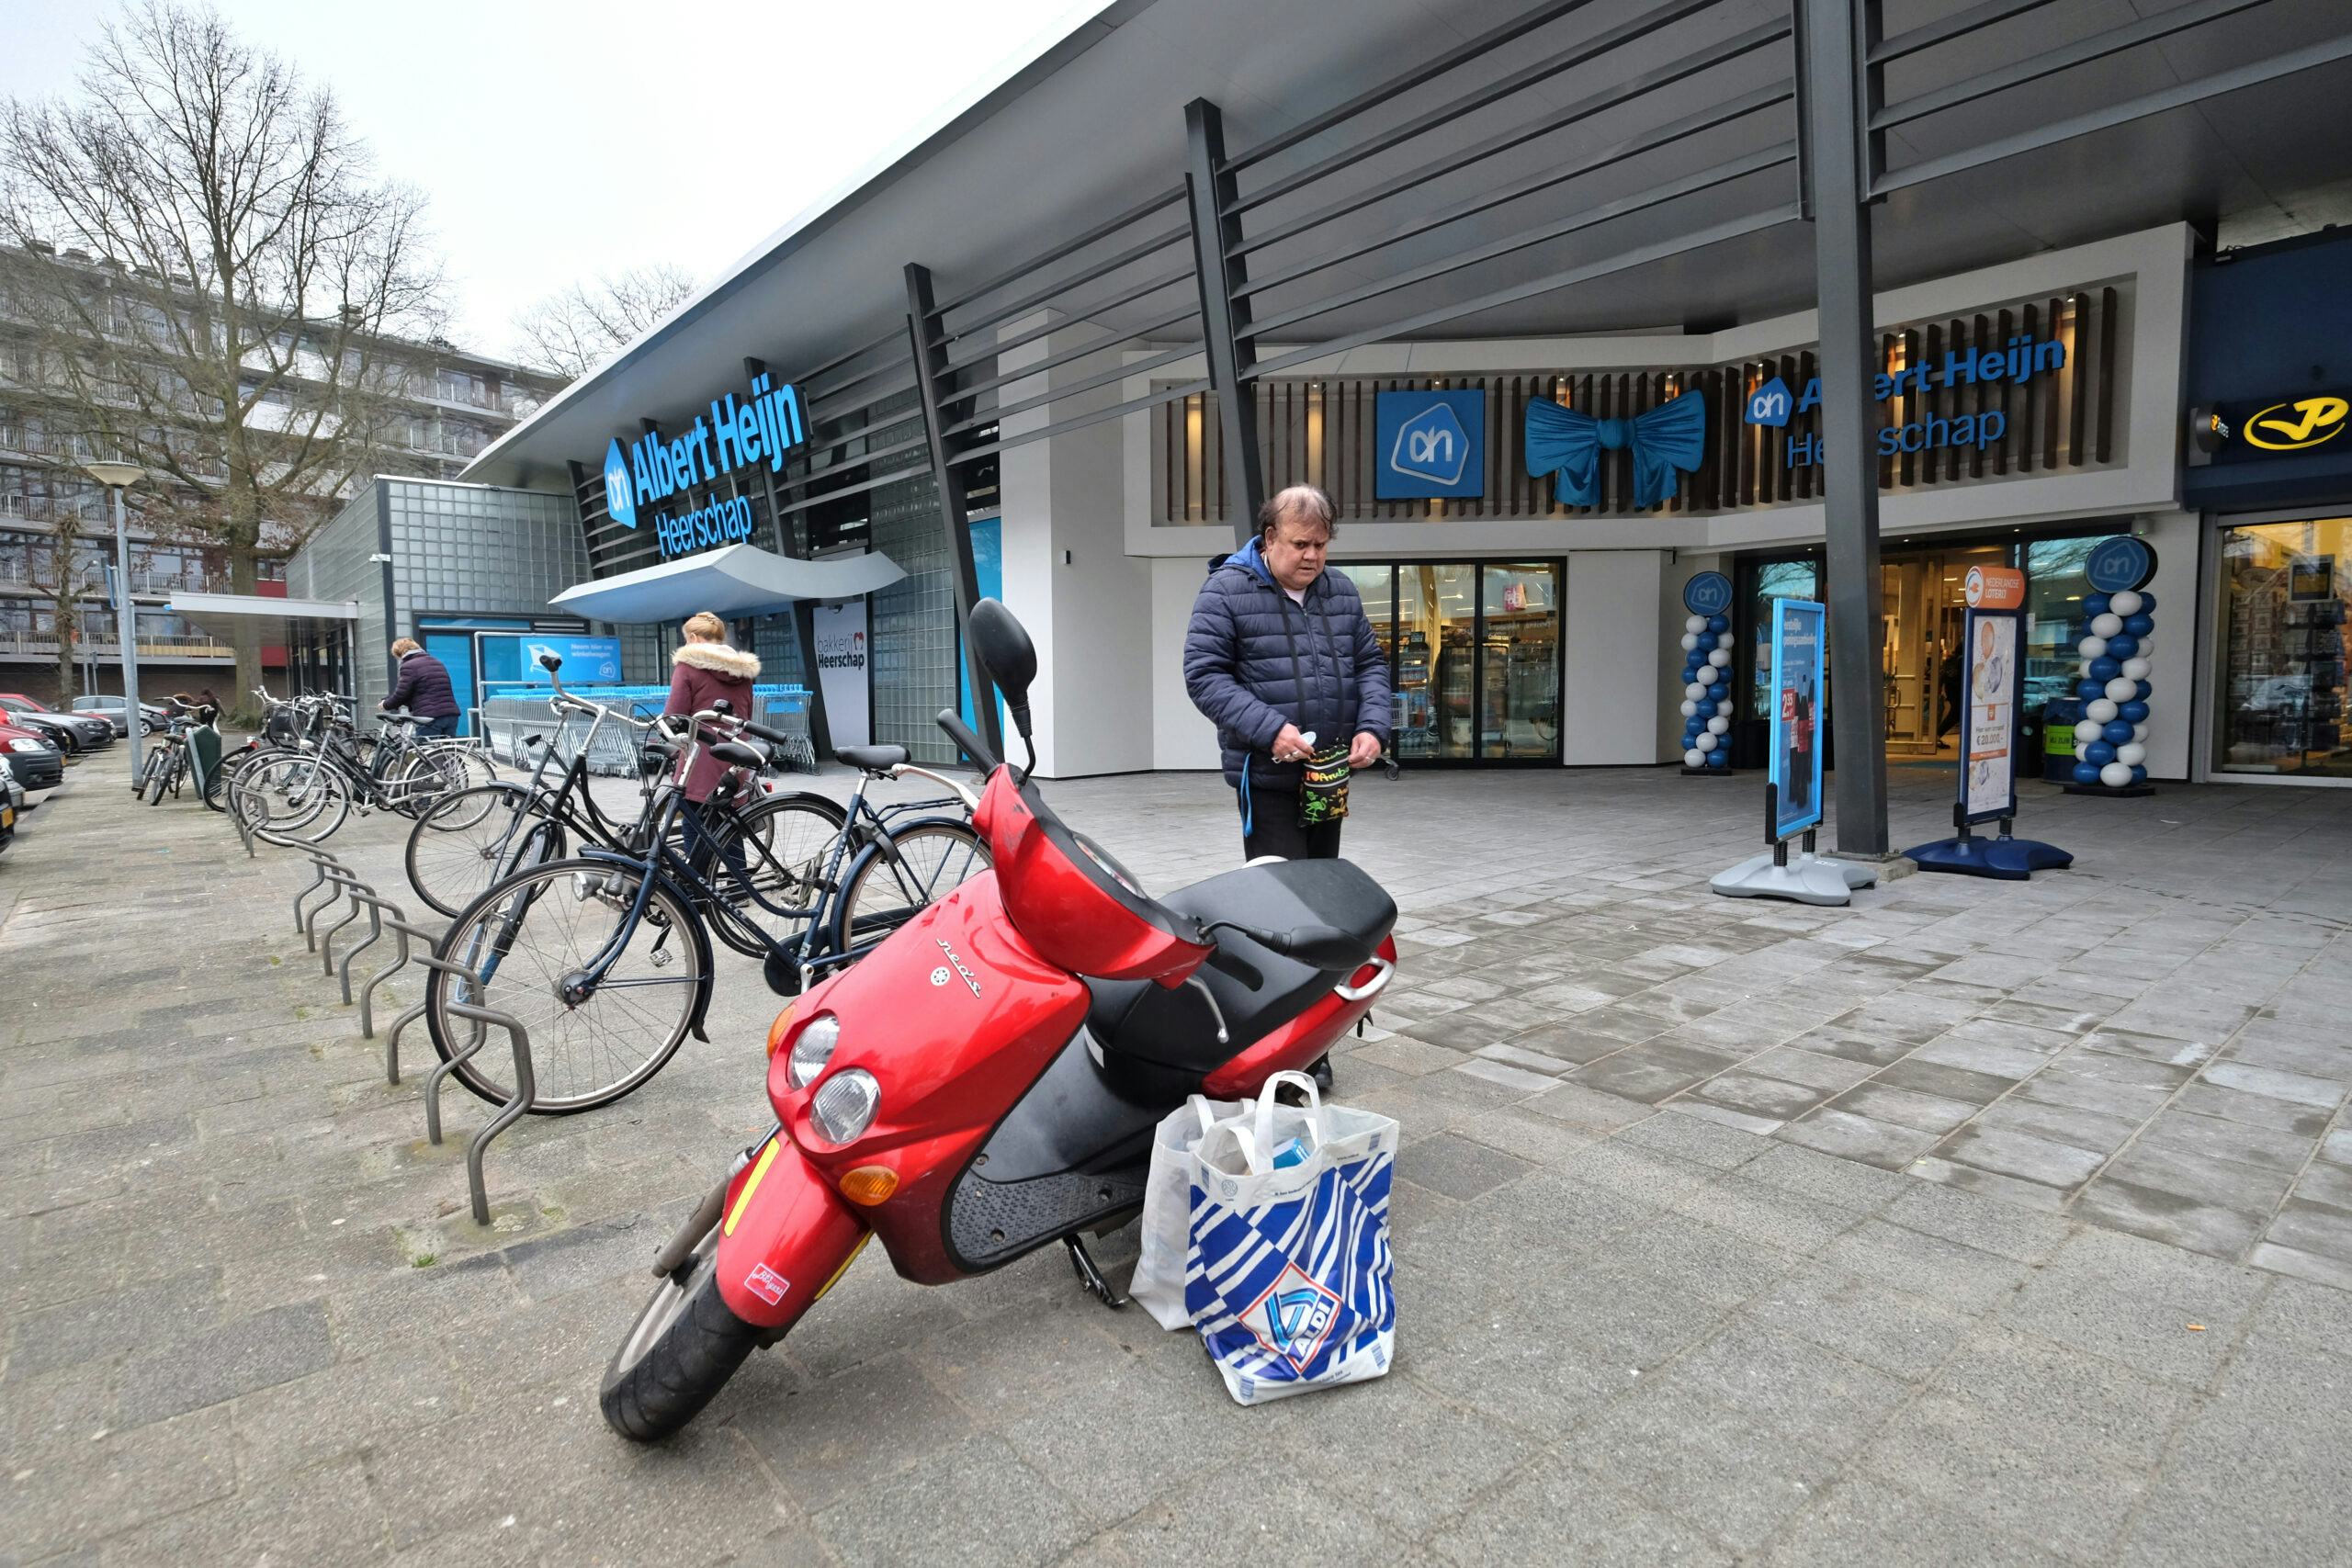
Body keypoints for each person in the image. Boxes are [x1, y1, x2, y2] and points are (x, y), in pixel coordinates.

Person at [1183, 483, 1390, 860]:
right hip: (1266, 776)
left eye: (1321, 545)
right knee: (1282, 892)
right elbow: (1205, 675)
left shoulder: (1340, 590)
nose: (1312, 555)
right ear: (1271, 538)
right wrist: (1271, 730)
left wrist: (1373, 728)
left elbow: (1369, 664)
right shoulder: (1225, 591)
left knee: (1323, 883)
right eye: (1300, 545)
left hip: (1329, 774)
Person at [663, 611, 760, 873]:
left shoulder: (688, 666)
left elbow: (675, 714)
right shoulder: (742, 670)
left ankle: (698, 883)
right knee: (726, 819)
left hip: (702, 753)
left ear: (693, 638)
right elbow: (746, 712)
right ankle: (738, 887)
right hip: (737, 748)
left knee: (692, 819)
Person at [380, 637, 460, 739]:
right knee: (446, 752)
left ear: (403, 652)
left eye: (398, 656)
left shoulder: (408, 666)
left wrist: (385, 705)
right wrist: (390, 699)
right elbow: (424, 691)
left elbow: (402, 694)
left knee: (426, 750)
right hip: (450, 714)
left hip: (430, 718)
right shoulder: (436, 662)